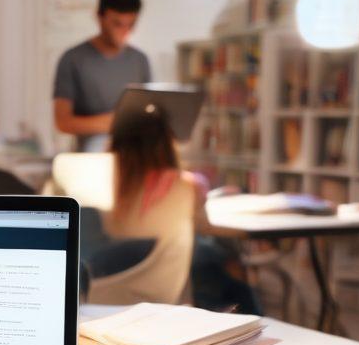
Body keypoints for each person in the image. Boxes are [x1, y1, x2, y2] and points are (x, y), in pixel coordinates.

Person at [91, 102, 261, 313]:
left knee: (205, 255)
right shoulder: (188, 185)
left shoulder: (108, 185)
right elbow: (204, 226)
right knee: (211, 255)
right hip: (164, 283)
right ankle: (249, 322)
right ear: (167, 143)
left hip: (107, 283)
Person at [53, 0, 151, 151]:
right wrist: (114, 122)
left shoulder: (140, 60)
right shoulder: (73, 59)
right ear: (100, 17)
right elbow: (63, 122)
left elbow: (148, 114)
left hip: (133, 156)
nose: (125, 31)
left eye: (131, 24)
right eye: (117, 24)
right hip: (90, 159)